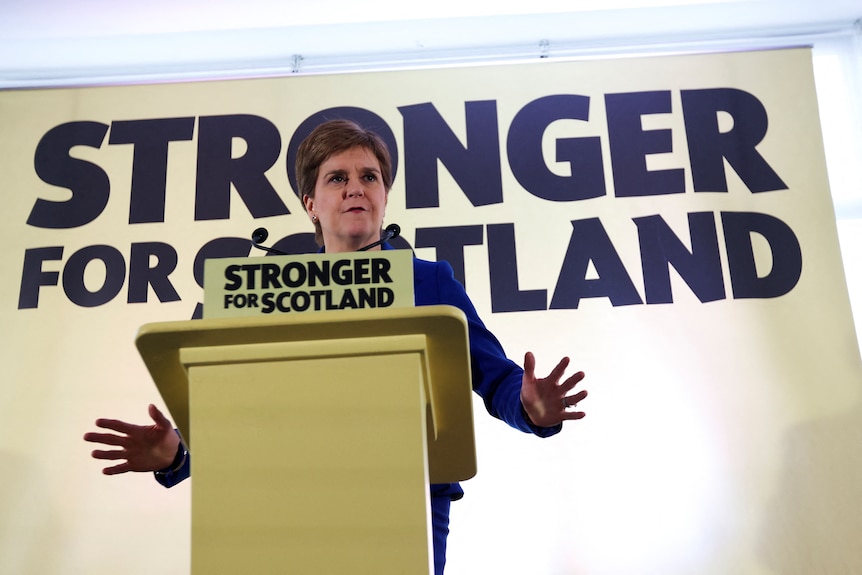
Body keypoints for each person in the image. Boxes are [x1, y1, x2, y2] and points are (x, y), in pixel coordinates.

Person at [84, 119, 589, 574]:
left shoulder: (429, 282)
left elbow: (497, 379)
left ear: (384, 196)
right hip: (275, 508)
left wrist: (532, 408)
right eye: (337, 178)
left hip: (404, 504)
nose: (356, 189)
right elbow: (228, 418)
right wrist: (178, 452)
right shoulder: (249, 294)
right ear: (310, 203)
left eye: (369, 177)